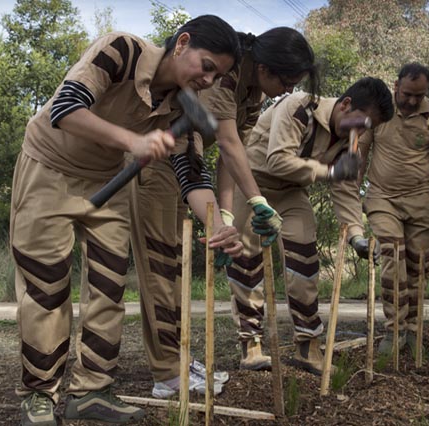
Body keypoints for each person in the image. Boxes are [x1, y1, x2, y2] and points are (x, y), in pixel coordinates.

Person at [9, 15, 242, 426]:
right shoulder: (122, 50)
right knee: (47, 288)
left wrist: (218, 224)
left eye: (218, 75)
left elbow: (192, 176)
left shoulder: (182, 105)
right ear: (182, 43)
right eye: (207, 66)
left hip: (108, 183)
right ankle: (39, 395)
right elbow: (66, 108)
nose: (209, 80)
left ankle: (91, 390)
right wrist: (133, 141)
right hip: (49, 168)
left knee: (109, 285)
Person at [130, 27, 319, 398]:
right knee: (161, 263)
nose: (287, 90)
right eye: (287, 81)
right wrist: (259, 201)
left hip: (187, 164)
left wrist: (227, 217)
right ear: (265, 67)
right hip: (156, 159)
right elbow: (229, 144)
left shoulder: (253, 90)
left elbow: (233, 159)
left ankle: (178, 359)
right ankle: (168, 373)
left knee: (176, 265)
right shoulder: (226, 75)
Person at [225, 77, 394, 375]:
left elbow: (344, 188)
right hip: (251, 184)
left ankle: (307, 344)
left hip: (291, 192)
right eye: (362, 123)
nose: (361, 133)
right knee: (245, 261)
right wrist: (329, 171)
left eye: (369, 128)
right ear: (345, 105)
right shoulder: (300, 106)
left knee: (305, 263)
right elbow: (277, 160)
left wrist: (356, 236)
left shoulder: (348, 140)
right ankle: (250, 344)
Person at [358, 63, 429, 354]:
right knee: (391, 254)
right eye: (408, 94)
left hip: (421, 198)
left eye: (419, 95)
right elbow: (360, 153)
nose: (413, 101)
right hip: (382, 198)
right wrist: (352, 194)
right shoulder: (378, 111)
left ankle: (412, 333)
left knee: (417, 269)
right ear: (396, 86)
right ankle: (393, 333)